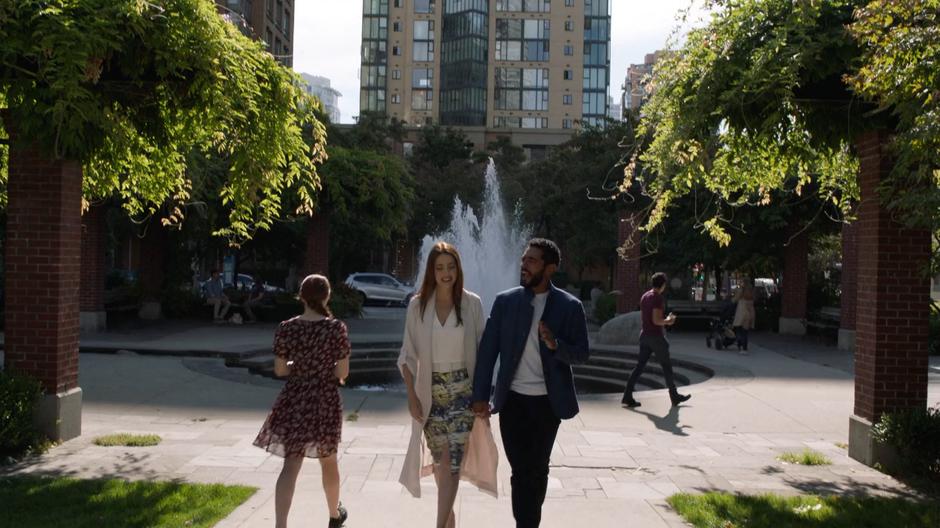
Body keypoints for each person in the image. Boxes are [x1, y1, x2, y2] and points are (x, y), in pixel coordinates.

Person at [471, 238, 590, 528]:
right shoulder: (505, 302)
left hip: (548, 404)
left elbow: (582, 354)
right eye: (524, 259)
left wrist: (555, 344)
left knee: (536, 470)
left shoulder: (569, 307)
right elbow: (487, 352)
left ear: (550, 268)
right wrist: (479, 395)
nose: (524, 265)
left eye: (532, 260)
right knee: (522, 470)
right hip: (512, 401)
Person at [398, 242, 489, 528]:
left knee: (451, 463)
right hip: (430, 393)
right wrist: (412, 396)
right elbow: (407, 355)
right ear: (432, 271)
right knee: (441, 467)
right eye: (440, 268)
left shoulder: (472, 303)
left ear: (458, 269)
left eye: (451, 267)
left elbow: (485, 354)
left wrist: (483, 396)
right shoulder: (418, 305)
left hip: (463, 391)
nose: (446, 273)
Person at [253, 275, 351, 528]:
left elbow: (280, 370)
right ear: (327, 296)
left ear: (301, 297)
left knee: (291, 463)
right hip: (325, 399)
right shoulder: (336, 328)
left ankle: (281, 525)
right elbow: (342, 373)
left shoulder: (286, 328)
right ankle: (333, 515)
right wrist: (321, 370)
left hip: (295, 398)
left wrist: (302, 367)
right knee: (328, 460)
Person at [621, 272, 691, 408]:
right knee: (666, 367)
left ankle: (627, 395)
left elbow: (649, 317)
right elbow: (656, 320)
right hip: (656, 337)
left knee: (639, 367)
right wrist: (669, 321)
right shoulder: (657, 298)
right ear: (663, 285)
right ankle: (674, 396)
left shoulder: (645, 296)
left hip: (645, 336)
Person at [732, 281, 756, 353]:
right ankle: (744, 347)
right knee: (745, 332)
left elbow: (734, 300)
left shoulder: (741, 292)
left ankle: (741, 346)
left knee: (738, 330)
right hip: (750, 314)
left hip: (742, 314)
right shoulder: (751, 294)